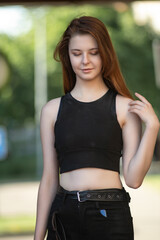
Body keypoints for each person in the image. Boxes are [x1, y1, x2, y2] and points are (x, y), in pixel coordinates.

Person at [34, 16, 160, 240]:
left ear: (105, 54)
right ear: (67, 56)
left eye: (94, 52)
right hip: (62, 216)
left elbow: (133, 179)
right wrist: (37, 237)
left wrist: (152, 126)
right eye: (76, 53)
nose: (85, 61)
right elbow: (49, 179)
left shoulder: (125, 108)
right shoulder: (51, 111)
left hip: (110, 215)